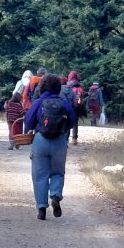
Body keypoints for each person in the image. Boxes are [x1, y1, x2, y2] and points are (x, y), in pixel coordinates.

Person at [24, 74, 76, 220]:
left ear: (42, 87)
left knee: (39, 175)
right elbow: (72, 121)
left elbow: (28, 122)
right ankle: (55, 196)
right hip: (59, 141)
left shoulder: (38, 102)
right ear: (58, 87)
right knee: (58, 172)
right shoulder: (64, 102)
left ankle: (41, 208)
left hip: (40, 140)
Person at [60, 71, 86, 145]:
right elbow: (82, 95)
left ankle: (66, 139)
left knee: (67, 121)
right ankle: (74, 138)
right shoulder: (80, 85)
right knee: (75, 122)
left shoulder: (67, 84)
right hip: (77, 106)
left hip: (69, 105)